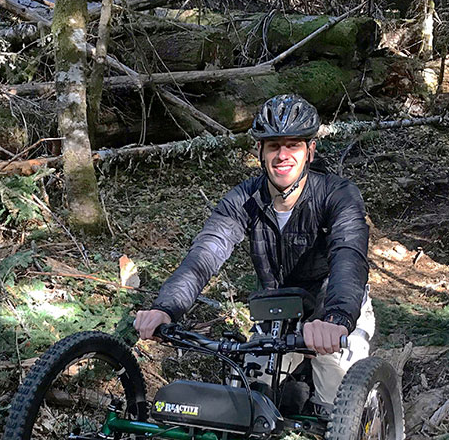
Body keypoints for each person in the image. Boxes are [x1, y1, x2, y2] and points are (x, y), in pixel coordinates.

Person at [135, 94, 374, 411]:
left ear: (310, 151)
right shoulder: (243, 199)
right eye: (274, 146)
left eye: (294, 145)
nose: (283, 155)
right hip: (278, 311)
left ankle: (366, 424)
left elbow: (349, 258)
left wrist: (337, 318)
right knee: (252, 401)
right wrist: (166, 308)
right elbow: (204, 256)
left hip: (331, 307)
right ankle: (298, 386)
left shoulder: (338, 194)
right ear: (259, 151)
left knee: (340, 405)